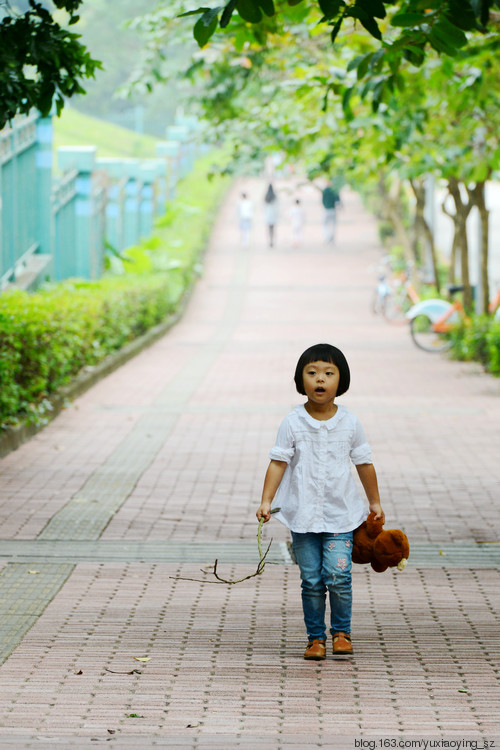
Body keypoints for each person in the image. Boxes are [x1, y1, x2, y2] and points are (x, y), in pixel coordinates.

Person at [256, 343, 384, 661]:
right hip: (302, 517)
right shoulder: (293, 422)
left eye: (328, 372)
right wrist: (266, 501)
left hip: (341, 515)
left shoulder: (350, 423)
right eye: (312, 373)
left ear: (341, 380)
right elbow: (278, 462)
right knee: (311, 579)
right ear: (302, 380)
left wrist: (375, 503)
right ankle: (315, 638)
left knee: (339, 575)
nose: (320, 379)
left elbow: (364, 463)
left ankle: (341, 632)